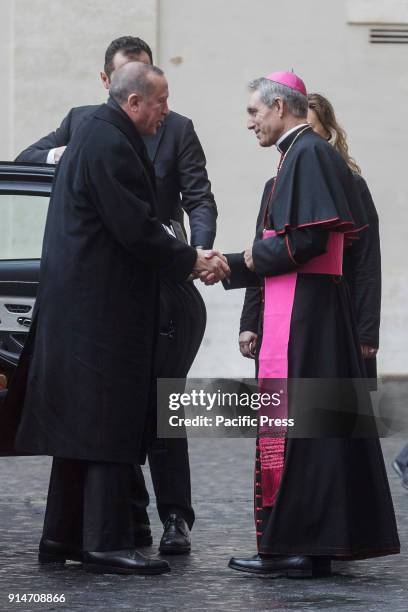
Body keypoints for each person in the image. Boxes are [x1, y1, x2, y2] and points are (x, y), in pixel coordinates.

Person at [9, 61, 229, 575]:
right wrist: (189, 259)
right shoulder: (109, 142)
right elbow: (136, 226)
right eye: (161, 101)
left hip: (82, 310)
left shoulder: (96, 133)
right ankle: (105, 542)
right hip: (100, 314)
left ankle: (60, 539)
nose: (166, 112)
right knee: (105, 425)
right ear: (133, 102)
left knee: (77, 432)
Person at [214, 71, 399, 577]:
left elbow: (310, 242)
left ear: (278, 106)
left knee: (307, 432)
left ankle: (298, 547)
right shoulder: (295, 157)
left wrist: (246, 257)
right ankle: (300, 544)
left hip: (310, 315)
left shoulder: (310, 152)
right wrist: (243, 262)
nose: (249, 122)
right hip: (298, 309)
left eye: (254, 112)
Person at [239, 93, 381, 387]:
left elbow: (366, 260)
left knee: (329, 414)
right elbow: (261, 250)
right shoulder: (273, 187)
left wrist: (366, 331)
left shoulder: (352, 186)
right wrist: (249, 322)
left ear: (326, 135)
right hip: (280, 317)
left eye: (311, 130)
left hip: (329, 317)